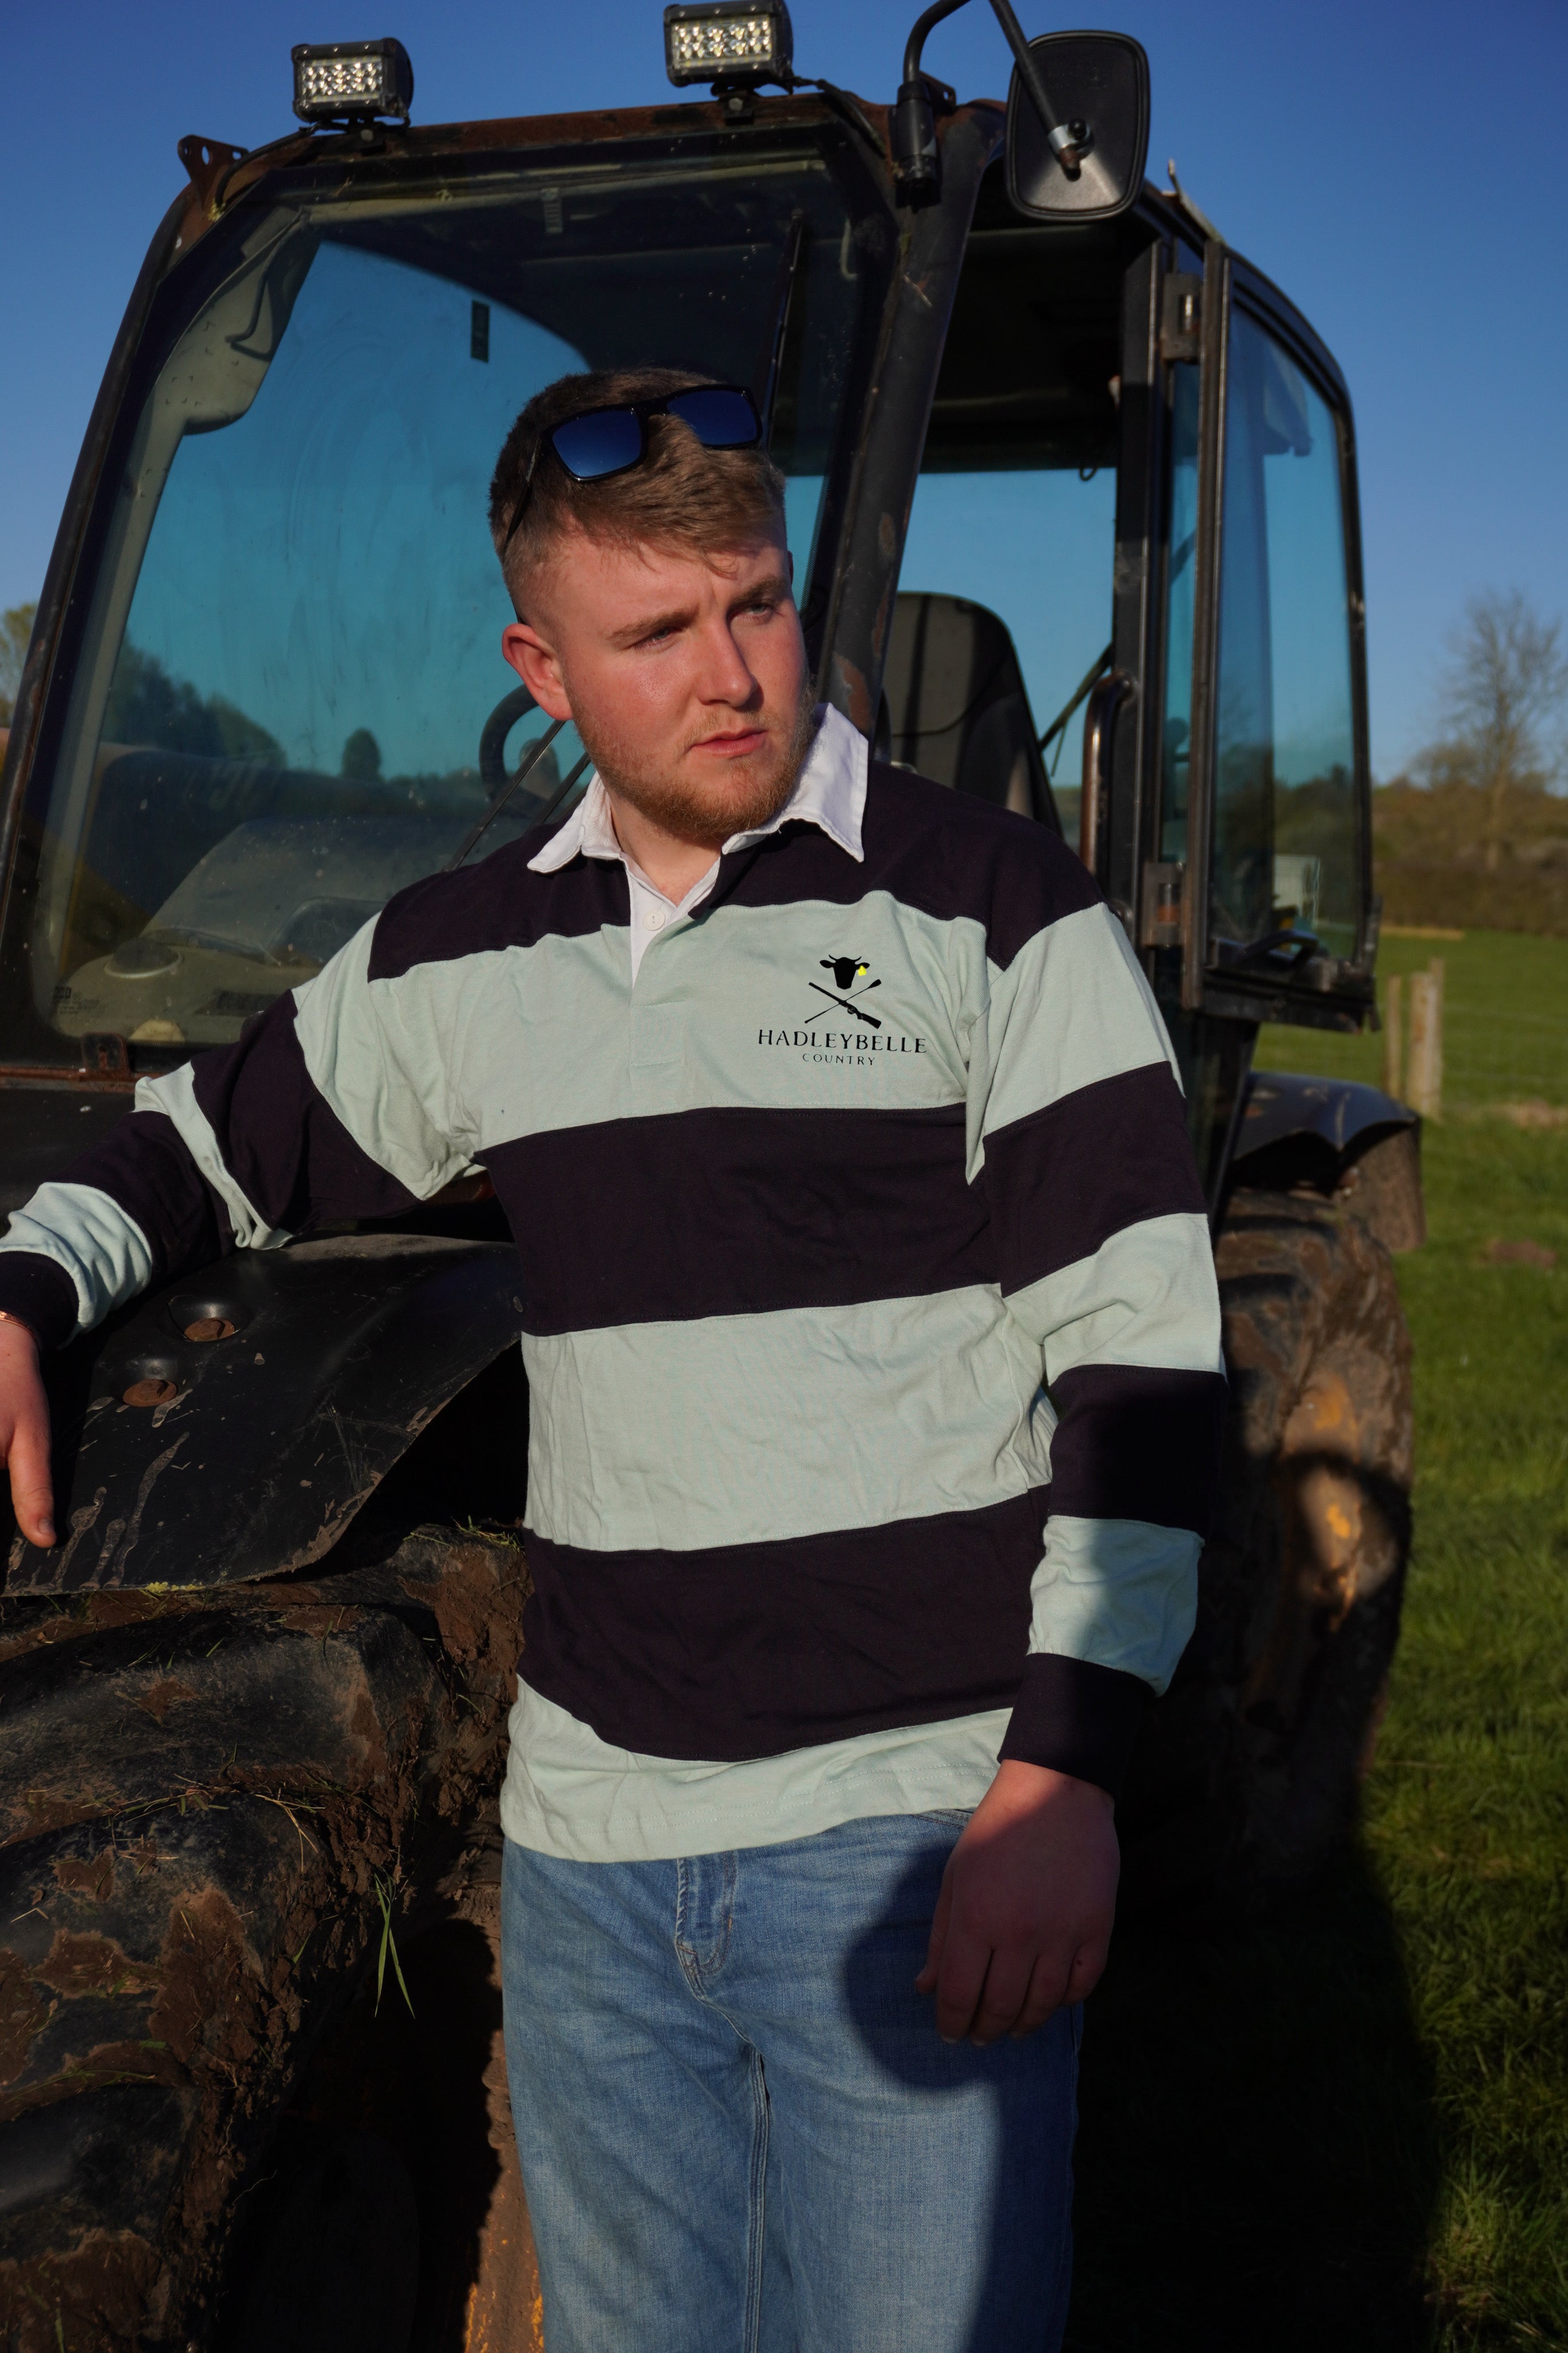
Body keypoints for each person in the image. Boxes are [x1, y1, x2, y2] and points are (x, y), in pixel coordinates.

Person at [0, 365, 1225, 2351]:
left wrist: (1060, 1781)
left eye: (754, 602)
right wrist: (33, 1286)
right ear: (540, 667)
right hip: (591, 1872)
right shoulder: (468, 958)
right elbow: (209, 1136)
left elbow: (1144, 1367)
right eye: (657, 633)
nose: (733, 671)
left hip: (906, 1834)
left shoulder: (991, 913)